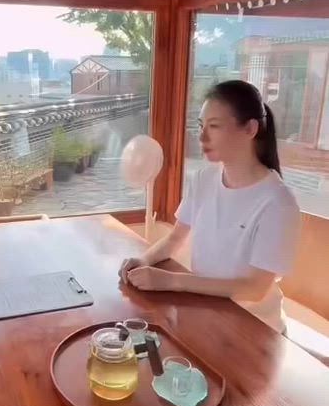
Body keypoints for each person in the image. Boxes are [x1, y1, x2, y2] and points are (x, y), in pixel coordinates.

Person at [119, 80, 301, 334]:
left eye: (214, 126)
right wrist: (143, 260)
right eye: (201, 126)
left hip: (255, 330)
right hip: (207, 312)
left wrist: (172, 281)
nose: (202, 136)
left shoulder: (278, 203)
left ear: (250, 129)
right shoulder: (203, 179)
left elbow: (254, 288)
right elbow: (174, 240)